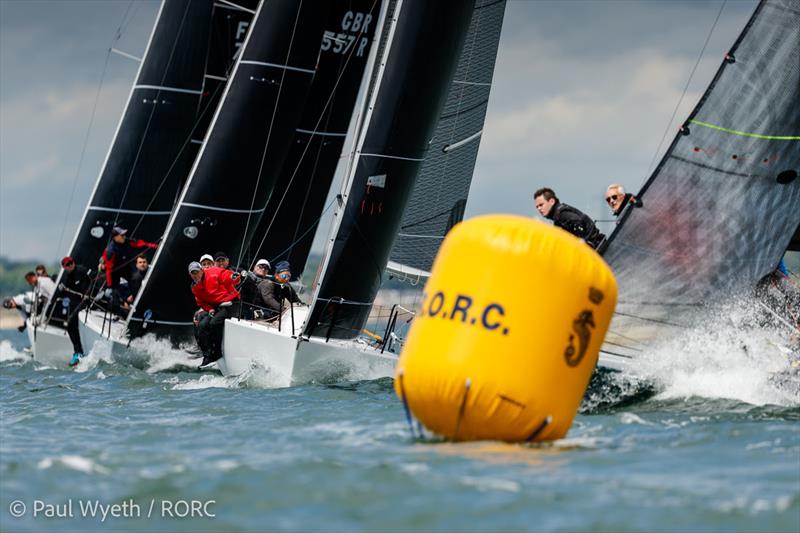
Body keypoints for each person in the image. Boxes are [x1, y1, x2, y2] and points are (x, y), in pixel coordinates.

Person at [189, 261, 244, 368]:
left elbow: (226, 275)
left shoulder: (212, 272)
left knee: (214, 323)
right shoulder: (195, 287)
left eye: (197, 272)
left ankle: (217, 352)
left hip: (231, 303)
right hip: (217, 307)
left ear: (201, 270)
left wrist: (234, 277)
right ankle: (207, 355)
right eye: (193, 273)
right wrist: (209, 309)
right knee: (202, 325)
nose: (195, 275)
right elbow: (201, 302)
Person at [100, 226, 157, 314]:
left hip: (125, 268)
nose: (124, 236)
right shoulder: (111, 251)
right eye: (122, 235)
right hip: (114, 272)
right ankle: (117, 312)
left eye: (124, 234)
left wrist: (156, 246)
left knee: (134, 283)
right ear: (115, 237)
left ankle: (137, 308)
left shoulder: (127, 241)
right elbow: (108, 270)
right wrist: (110, 285)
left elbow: (139, 243)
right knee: (115, 292)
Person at [534, 187, 605, 249]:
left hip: (600, 249)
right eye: (537, 207)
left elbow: (580, 224)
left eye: (541, 205)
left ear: (552, 201)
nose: (539, 209)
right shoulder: (558, 215)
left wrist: (583, 244)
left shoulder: (561, 215)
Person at [57, 256, 92, 366]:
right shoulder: (66, 277)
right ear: (64, 267)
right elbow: (61, 294)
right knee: (69, 325)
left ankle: (80, 351)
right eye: (67, 264)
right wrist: (60, 289)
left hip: (87, 301)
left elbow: (94, 280)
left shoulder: (81, 270)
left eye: (71, 263)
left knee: (72, 322)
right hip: (76, 303)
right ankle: (78, 352)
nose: (70, 265)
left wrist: (89, 293)